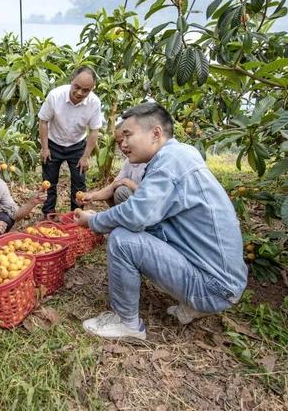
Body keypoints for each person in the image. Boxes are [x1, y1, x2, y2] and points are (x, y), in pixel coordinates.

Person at [74, 102, 248, 340]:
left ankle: (127, 324)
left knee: (122, 240)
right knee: (134, 227)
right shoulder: (180, 154)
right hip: (224, 282)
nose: (122, 144)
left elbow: (135, 215)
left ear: (156, 133)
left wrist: (94, 221)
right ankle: (195, 305)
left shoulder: (170, 162)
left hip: (215, 287)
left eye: (128, 135)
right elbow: (148, 215)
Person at [39, 66, 103, 217]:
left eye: (86, 90)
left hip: (77, 145)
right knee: (49, 182)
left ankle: (77, 215)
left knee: (79, 183)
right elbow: (43, 122)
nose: (80, 92)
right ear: (71, 80)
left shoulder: (94, 102)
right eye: (77, 87)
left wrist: (85, 156)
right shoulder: (55, 96)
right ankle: (48, 214)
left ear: (92, 89)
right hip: (53, 143)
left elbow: (94, 131)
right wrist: (45, 148)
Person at [81, 126, 146, 206]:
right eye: (119, 143)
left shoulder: (153, 160)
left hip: (153, 209)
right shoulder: (129, 161)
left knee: (121, 191)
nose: (123, 146)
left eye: (125, 140)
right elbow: (113, 185)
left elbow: (153, 195)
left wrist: (128, 183)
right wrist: (91, 196)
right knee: (112, 191)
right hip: (139, 201)